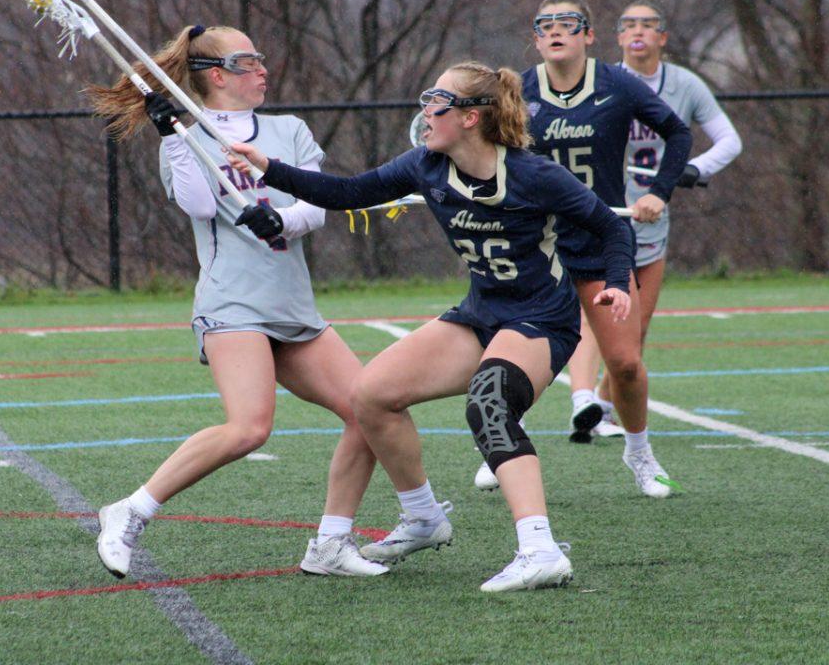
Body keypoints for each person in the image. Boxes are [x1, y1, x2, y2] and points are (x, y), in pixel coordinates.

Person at [229, 61, 635, 592]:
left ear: (470, 117)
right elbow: (347, 192)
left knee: (489, 402)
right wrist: (268, 167)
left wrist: (618, 282)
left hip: (540, 317)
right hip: (481, 312)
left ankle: (540, 549)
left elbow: (609, 226)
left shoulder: (535, 175)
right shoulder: (424, 164)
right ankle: (422, 518)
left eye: (437, 100)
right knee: (370, 395)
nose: (425, 111)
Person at [88, 24, 387, 579]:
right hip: (233, 303)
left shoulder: (288, 129)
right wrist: (173, 137)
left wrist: (282, 219)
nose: (264, 69)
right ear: (217, 76)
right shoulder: (185, 132)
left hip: (291, 304)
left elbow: (316, 207)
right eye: (250, 61)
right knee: (250, 427)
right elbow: (201, 206)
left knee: (369, 411)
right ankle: (131, 509)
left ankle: (330, 543)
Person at [475, 0, 693, 498]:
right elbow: (484, 150)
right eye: (543, 27)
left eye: (566, 25)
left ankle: (639, 452)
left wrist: (659, 192)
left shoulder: (618, 84)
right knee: (514, 356)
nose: (554, 33)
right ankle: (500, 444)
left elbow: (678, 133)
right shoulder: (519, 91)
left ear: (589, 35)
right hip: (535, 243)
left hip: (599, 237)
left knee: (624, 362)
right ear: (535, 39)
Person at [572, 0, 742, 417]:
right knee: (596, 313)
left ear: (662, 37)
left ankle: (605, 405)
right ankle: (583, 402)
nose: (638, 32)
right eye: (628, 24)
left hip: (650, 216)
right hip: (604, 212)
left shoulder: (685, 85)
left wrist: (692, 169)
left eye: (648, 25)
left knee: (635, 330)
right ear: (616, 37)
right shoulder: (601, 81)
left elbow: (729, 140)